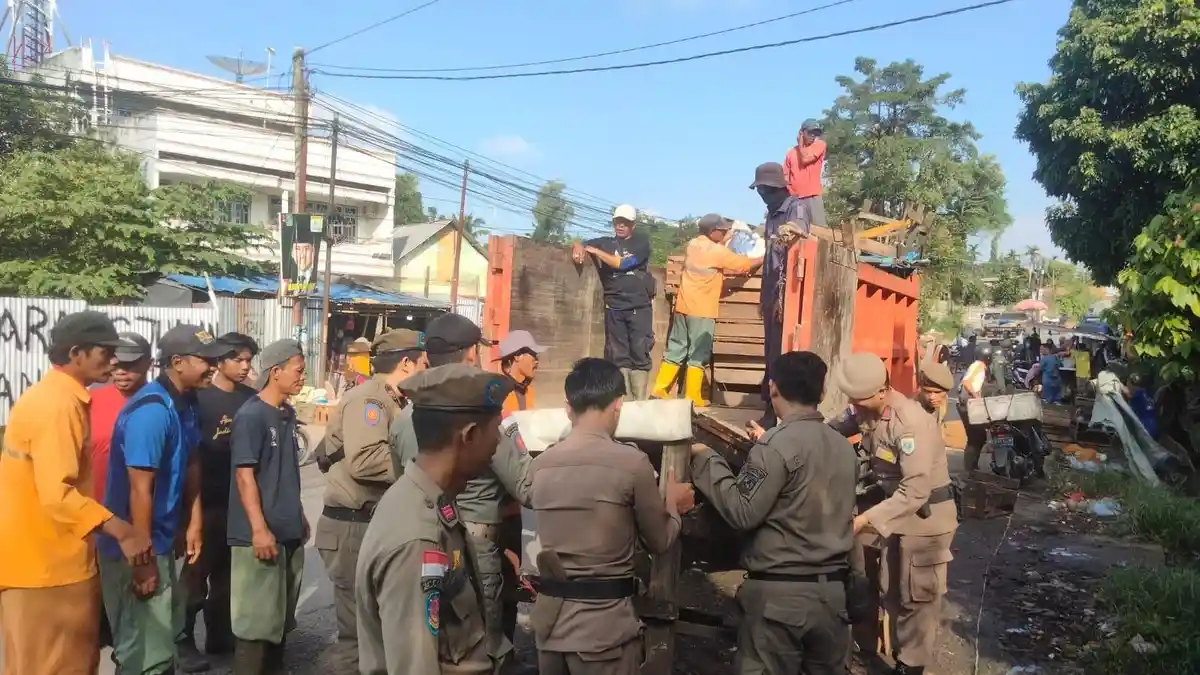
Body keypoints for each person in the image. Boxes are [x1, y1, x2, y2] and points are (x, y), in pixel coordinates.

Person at [0, 311, 153, 675]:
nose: (113, 361)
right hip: (48, 569)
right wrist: (123, 530)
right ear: (77, 353)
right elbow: (57, 494)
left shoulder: (56, 397)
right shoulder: (57, 406)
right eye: (105, 351)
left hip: (42, 563)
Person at [691, 351, 856, 675]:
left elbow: (742, 511)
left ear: (773, 388)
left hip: (781, 600)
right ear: (821, 393)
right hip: (833, 598)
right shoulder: (843, 448)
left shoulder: (775, 446)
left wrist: (707, 460)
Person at [529, 357, 695, 675]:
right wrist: (674, 507)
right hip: (603, 634)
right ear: (618, 404)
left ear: (568, 406)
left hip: (550, 633)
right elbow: (659, 541)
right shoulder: (631, 464)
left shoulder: (540, 465)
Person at [392, 313, 535, 665]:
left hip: (426, 537)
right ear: (471, 354)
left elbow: (401, 478)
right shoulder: (481, 413)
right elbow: (527, 485)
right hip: (474, 547)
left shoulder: (403, 416)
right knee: (480, 649)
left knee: (435, 644)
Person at [356, 364, 517, 675]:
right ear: (469, 436)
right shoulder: (417, 537)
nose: (499, 442)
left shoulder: (432, 501)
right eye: (495, 430)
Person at [99, 324, 225, 675]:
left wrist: (193, 522)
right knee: (144, 653)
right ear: (178, 361)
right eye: (206, 360)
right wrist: (143, 562)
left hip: (160, 541)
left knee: (163, 641)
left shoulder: (183, 403)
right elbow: (140, 489)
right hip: (134, 550)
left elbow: (191, 461)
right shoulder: (152, 411)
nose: (213, 366)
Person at [830, 353, 958, 675]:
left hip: (926, 519)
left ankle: (911, 665)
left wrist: (863, 520)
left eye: (859, 401)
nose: (854, 407)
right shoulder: (864, 410)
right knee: (890, 589)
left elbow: (915, 491)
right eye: (852, 401)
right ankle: (888, 650)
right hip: (894, 510)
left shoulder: (909, 422)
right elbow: (830, 430)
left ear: (881, 391)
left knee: (917, 596)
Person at [316, 329, 425, 675]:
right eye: (423, 362)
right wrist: (421, 466)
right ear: (406, 363)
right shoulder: (370, 400)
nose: (427, 368)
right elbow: (365, 460)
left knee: (377, 631)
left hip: (368, 524)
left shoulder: (394, 400)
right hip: (351, 527)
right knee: (357, 637)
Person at [228, 340, 311, 675]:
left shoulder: (287, 414)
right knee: (255, 625)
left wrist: (299, 513)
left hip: (288, 531)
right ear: (275, 372)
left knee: (279, 620)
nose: (302, 378)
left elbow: (286, 473)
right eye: (299, 371)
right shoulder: (251, 415)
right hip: (259, 537)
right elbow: (245, 476)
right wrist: (259, 530)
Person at [183, 331, 259, 658]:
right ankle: (183, 639)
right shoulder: (200, 399)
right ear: (219, 361)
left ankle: (220, 638)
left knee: (229, 580)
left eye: (248, 360)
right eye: (237, 359)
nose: (244, 366)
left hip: (238, 505)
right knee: (195, 578)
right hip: (205, 503)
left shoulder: (250, 399)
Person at [653, 213, 762, 406]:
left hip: (683, 307)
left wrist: (726, 239)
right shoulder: (717, 252)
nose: (724, 233)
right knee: (698, 353)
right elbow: (743, 265)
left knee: (676, 349)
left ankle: (659, 389)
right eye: (722, 231)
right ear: (713, 232)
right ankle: (692, 396)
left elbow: (713, 253)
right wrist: (763, 257)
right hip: (702, 310)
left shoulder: (693, 245)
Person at [89, 331, 152, 651]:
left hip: (144, 523)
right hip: (96, 521)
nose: (121, 371)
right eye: (115, 364)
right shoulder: (90, 401)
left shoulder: (157, 404)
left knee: (142, 614)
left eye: (130, 365)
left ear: (148, 364)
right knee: (98, 611)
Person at [570, 203, 656, 400]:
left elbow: (624, 264)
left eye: (625, 223)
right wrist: (578, 246)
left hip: (638, 307)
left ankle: (639, 402)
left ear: (633, 225)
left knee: (640, 353)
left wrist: (596, 252)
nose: (621, 226)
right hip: (614, 307)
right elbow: (581, 243)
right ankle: (623, 400)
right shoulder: (606, 242)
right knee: (618, 356)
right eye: (618, 222)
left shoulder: (641, 243)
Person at [750, 162, 812, 430]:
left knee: (784, 355)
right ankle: (771, 408)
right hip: (772, 294)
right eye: (759, 190)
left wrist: (791, 232)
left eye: (765, 189)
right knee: (771, 355)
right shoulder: (771, 214)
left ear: (778, 187)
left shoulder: (796, 208)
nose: (762, 194)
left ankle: (783, 412)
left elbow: (799, 233)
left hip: (791, 295)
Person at [958, 344, 995, 473]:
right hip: (968, 405)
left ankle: (972, 467)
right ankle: (969, 469)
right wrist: (976, 396)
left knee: (978, 436)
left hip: (969, 404)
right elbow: (966, 382)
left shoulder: (978, 365)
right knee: (976, 437)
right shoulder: (978, 366)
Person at [783, 119, 829, 224]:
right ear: (801, 133)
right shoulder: (791, 153)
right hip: (796, 199)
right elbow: (785, 177)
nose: (813, 136)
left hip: (813, 196)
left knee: (819, 230)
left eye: (815, 133)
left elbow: (805, 159)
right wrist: (791, 194)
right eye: (810, 132)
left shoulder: (819, 145)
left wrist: (800, 144)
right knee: (798, 231)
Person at [498, 329, 545, 414]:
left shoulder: (528, 391)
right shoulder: (498, 393)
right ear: (517, 356)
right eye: (533, 355)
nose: (536, 361)